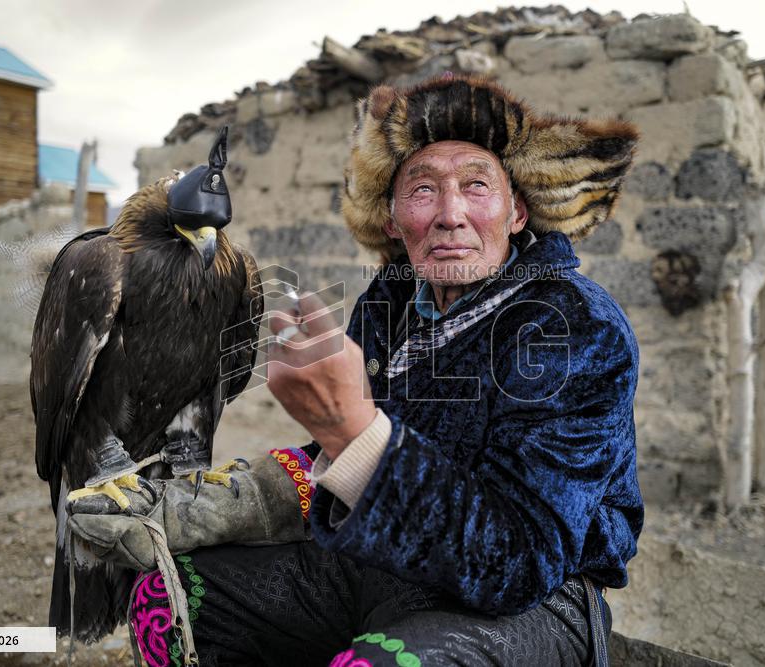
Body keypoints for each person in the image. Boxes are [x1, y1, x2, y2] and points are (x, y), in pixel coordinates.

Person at [72, 74, 643, 666]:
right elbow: (338, 454)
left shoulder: (574, 324)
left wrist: (352, 431)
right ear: (393, 220)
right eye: (422, 191)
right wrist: (236, 500)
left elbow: (521, 558)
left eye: (477, 186)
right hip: (380, 559)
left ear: (519, 212)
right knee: (171, 596)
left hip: (533, 606)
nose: (451, 215)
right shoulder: (387, 305)